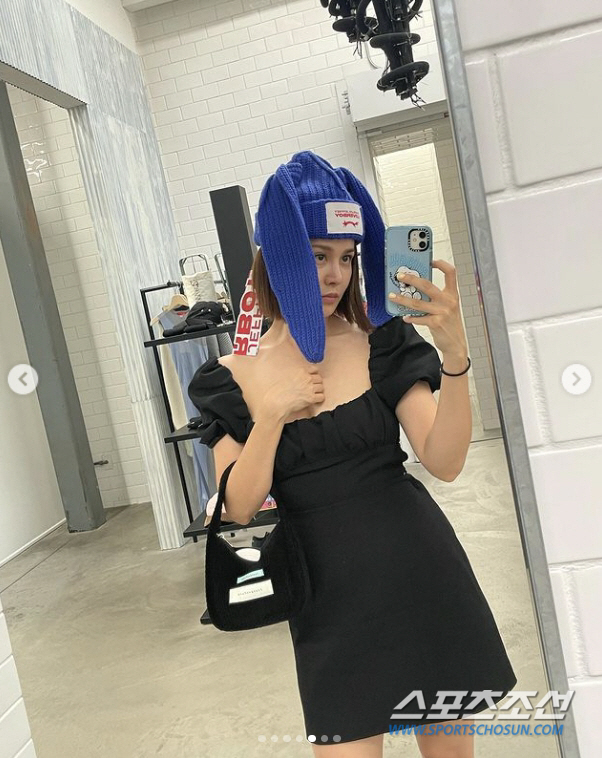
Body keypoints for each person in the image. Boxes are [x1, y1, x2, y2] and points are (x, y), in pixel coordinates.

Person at [188, 151, 517, 758]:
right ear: (275, 257)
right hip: (325, 597)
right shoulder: (232, 376)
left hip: (421, 573)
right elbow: (238, 508)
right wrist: (271, 416)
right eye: (318, 255)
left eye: (346, 257)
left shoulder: (382, 341)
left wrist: (454, 356)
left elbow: (444, 461)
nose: (336, 274)